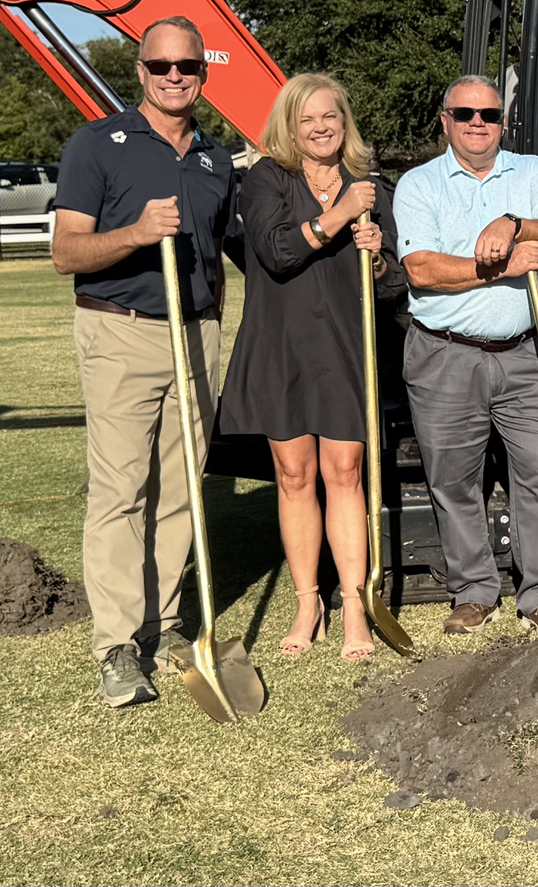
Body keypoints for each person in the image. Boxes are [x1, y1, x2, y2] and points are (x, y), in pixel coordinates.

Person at [51, 15, 242, 708]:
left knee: (183, 488)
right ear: (139, 70)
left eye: (186, 67)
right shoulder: (98, 145)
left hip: (196, 334)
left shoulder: (217, 159)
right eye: (160, 65)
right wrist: (136, 233)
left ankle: (163, 624)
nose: (173, 77)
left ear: (202, 74)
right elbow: (67, 251)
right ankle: (116, 645)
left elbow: (231, 253)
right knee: (121, 489)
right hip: (121, 331)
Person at [214, 73, 405, 659]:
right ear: (289, 127)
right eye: (308, 120)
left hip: (345, 346)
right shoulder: (267, 179)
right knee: (294, 476)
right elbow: (272, 252)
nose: (321, 128)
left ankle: (353, 603)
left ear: (345, 123)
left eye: (331, 117)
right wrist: (338, 215)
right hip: (282, 346)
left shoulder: (370, 187)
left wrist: (375, 264)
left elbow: (395, 279)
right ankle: (307, 602)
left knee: (344, 471)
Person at [393, 75, 538, 634]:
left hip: (522, 353)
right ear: (445, 119)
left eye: (490, 115)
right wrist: (495, 267)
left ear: (503, 122)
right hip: (445, 354)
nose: (478, 122)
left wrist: (514, 223)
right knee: (453, 480)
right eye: (465, 112)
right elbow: (421, 270)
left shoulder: (531, 172)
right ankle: (473, 591)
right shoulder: (418, 184)